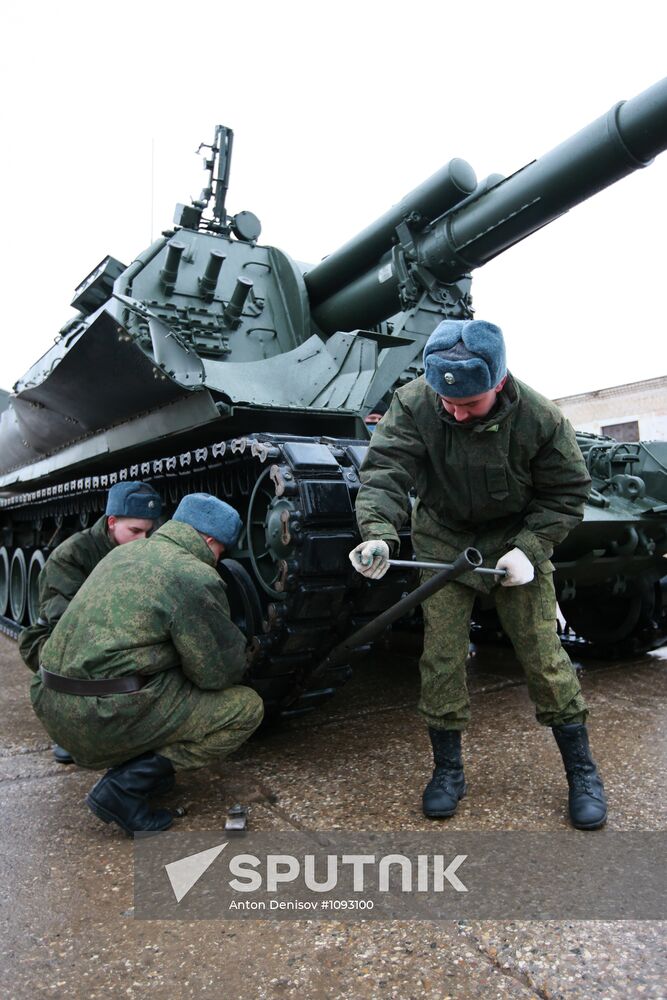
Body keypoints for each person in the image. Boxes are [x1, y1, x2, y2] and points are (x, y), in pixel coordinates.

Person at [349, 319, 607, 831]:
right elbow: (386, 472)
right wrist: (378, 532)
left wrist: (530, 549)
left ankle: (582, 772)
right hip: (443, 537)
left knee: (544, 655)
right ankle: (448, 772)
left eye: (469, 403)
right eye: (448, 402)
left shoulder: (540, 417)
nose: (455, 411)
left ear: (498, 380)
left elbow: (568, 493)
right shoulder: (415, 402)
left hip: (514, 540)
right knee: (441, 657)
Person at [30, 492, 264, 836]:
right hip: (96, 718)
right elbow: (215, 675)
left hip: (50, 701)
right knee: (245, 708)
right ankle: (123, 789)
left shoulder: (124, 552)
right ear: (210, 540)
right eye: (220, 551)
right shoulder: (193, 575)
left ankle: (133, 761)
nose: (218, 559)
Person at [19, 480, 162, 762]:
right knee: (80, 661)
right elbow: (69, 624)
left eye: (148, 532)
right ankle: (70, 729)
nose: (143, 540)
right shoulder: (70, 556)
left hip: (120, 633)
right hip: (69, 638)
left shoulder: (142, 549)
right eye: (134, 531)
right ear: (111, 522)